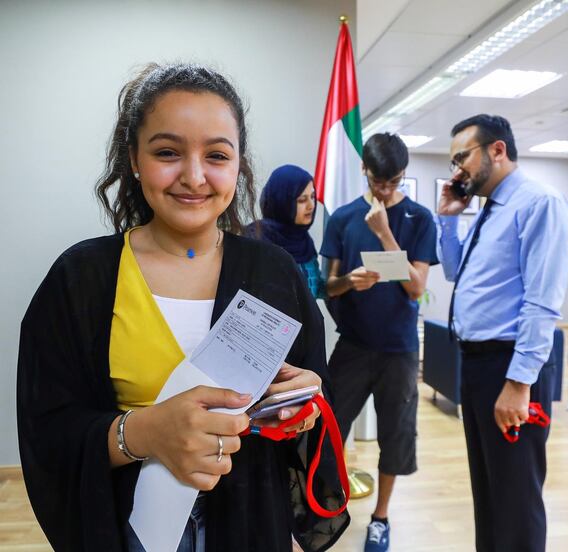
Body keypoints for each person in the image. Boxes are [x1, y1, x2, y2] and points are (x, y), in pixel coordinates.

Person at [17, 63, 348, 552]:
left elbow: (311, 412)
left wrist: (301, 408)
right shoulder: (80, 280)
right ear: (134, 158)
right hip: (125, 530)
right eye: (168, 152)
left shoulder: (274, 275)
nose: (194, 177)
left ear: (238, 165)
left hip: (251, 526)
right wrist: (146, 431)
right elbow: (47, 434)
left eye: (216, 155)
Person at [437, 114, 568, 552]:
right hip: (477, 364)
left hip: (510, 365)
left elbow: (542, 300)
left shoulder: (539, 202)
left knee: (515, 497)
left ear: (497, 150)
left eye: (463, 156)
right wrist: (448, 219)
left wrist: (519, 384)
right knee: (489, 490)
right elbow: (456, 270)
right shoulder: (491, 208)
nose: (458, 169)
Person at [320, 132, 438, 552]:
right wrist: (347, 282)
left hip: (400, 350)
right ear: (365, 171)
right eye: (378, 181)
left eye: (394, 182)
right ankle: (325, 509)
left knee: (396, 436)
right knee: (328, 429)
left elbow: (417, 288)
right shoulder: (342, 218)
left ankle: (381, 518)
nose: (385, 190)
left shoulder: (420, 218)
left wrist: (387, 235)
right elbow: (327, 286)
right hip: (352, 346)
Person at [244, 164, 325, 298]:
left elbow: (316, 290)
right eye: (302, 200)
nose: (311, 205)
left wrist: (348, 281)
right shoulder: (256, 238)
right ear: (282, 201)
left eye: (312, 197)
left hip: (304, 320)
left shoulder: (303, 240)